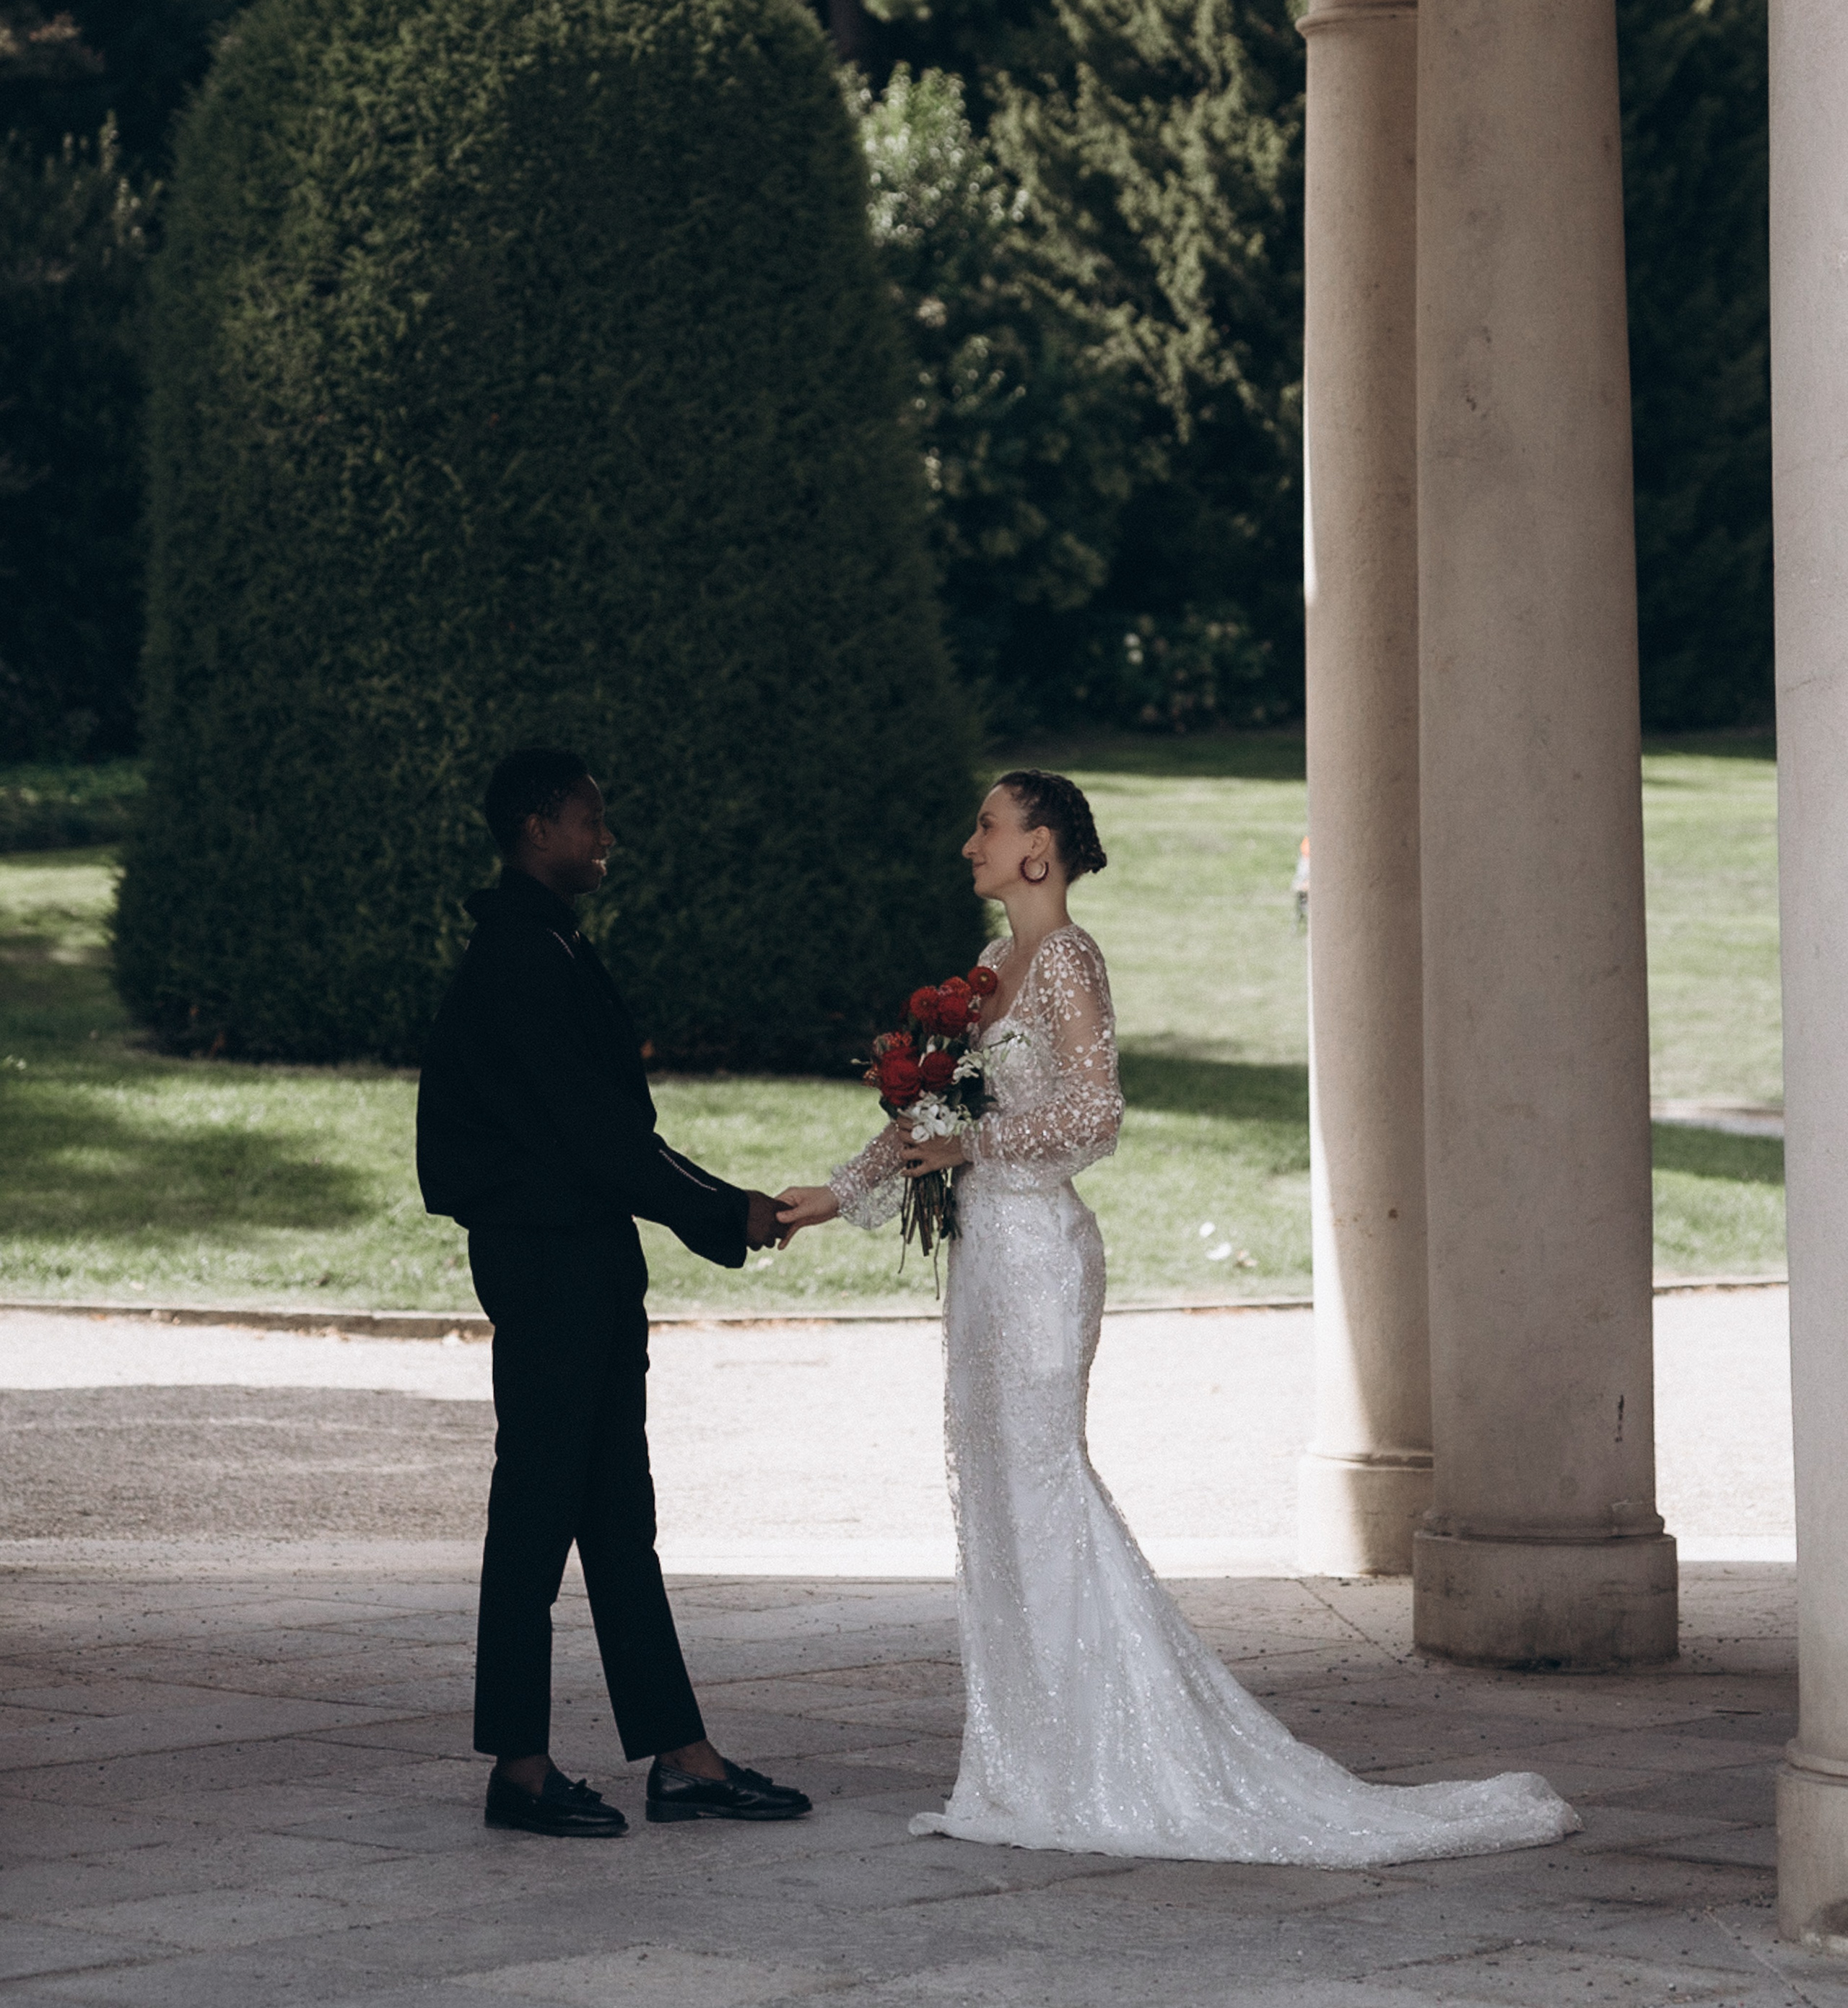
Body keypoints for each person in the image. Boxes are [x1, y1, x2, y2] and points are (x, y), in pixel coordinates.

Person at [775, 770, 1577, 1866]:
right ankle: (1032, 1758)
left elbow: (1096, 1114)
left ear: (1040, 850)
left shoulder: (1066, 958)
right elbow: (928, 1114)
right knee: (999, 1485)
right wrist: (827, 1197)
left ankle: (1113, 1756)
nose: (970, 843)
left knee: (1043, 1476)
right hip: (985, 1261)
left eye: (989, 826)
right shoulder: (993, 970)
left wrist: (974, 1146)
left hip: (1041, 1252)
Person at [417, 747, 810, 1838]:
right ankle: (523, 1768)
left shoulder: (537, 944)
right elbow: (605, 1138)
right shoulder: (523, 961)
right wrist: (728, 1209)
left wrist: (713, 1207)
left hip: (578, 1264)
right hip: (551, 1270)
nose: (606, 838)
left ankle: (681, 1757)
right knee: (537, 1519)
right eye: (592, 819)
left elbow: (598, 1136)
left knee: (617, 1521)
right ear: (538, 826)